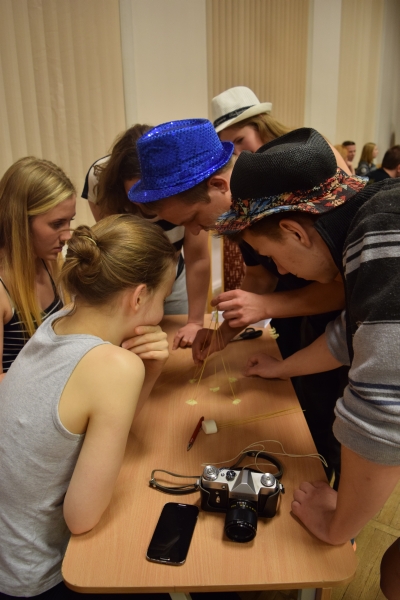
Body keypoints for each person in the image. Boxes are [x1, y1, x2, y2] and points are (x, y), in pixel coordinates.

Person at [214, 127, 400, 600]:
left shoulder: (380, 236)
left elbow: (383, 410)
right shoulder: (372, 217)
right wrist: (282, 369)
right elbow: (349, 335)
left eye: (275, 257)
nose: (282, 271)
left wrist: (338, 525)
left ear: (296, 231)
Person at [128, 119, 355, 485]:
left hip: (348, 341)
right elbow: (261, 279)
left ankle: (335, 490)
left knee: (332, 432)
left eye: (193, 219)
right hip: (316, 333)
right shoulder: (235, 214)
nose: (197, 231)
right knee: (304, 413)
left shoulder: (279, 194)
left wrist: (268, 307)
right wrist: (223, 335)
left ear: (219, 185)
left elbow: (344, 290)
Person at [0, 214, 177, 598]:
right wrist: (137, 369)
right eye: (162, 299)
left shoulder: (61, 319)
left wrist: (151, 370)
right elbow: (81, 518)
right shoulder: (114, 366)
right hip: (34, 577)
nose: (161, 312)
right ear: (138, 297)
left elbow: (109, 424)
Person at [82, 124, 210, 350]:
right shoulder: (99, 179)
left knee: (174, 347)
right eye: (136, 194)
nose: (146, 205)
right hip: (127, 282)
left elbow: (197, 258)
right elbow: (115, 252)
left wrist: (195, 322)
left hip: (172, 276)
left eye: (153, 196)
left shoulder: (186, 179)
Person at [0, 157, 76, 376]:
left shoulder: (50, 261)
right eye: (57, 224)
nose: (67, 236)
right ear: (20, 222)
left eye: (69, 221)